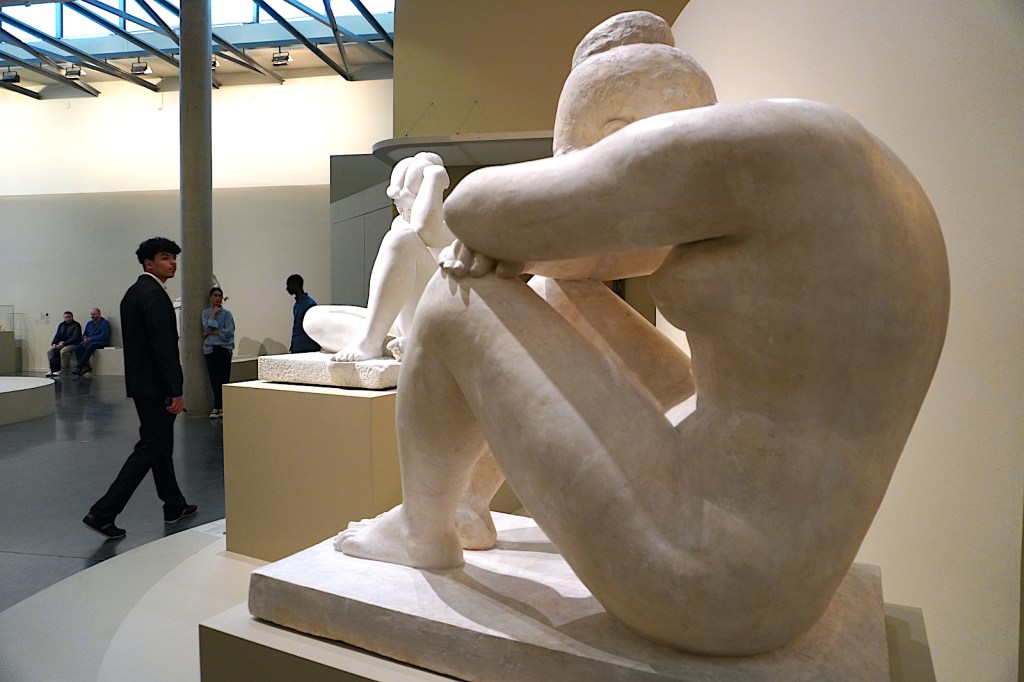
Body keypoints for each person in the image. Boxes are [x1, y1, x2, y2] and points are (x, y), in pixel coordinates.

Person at [336, 12, 949, 657]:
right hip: (778, 571)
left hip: (703, 576)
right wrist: (526, 252)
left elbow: (476, 209)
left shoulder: (742, 148)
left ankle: (423, 530)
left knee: (453, 294)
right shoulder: (847, 164)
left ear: (622, 134)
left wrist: (494, 239)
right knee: (561, 293)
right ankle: (468, 504)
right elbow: (580, 271)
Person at [83, 236, 197, 539]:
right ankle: (103, 512)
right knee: (150, 446)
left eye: (174, 257)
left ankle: (174, 504)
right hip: (157, 386)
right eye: (165, 257)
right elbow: (163, 346)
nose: (173, 263)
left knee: (160, 445)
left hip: (143, 384)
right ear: (149, 263)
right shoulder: (154, 295)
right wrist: (175, 388)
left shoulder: (133, 293)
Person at [303, 152, 455, 362]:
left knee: (401, 237)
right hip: (404, 326)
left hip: (438, 323)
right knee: (314, 319)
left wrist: (435, 176)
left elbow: (426, 228)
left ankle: (371, 341)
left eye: (410, 206)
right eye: (399, 207)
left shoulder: (450, 226)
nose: (404, 213)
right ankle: (399, 345)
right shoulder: (401, 225)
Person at [201, 286, 235, 419]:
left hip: (224, 348)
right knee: (213, 378)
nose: (218, 298)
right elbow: (206, 327)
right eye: (215, 295)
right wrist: (213, 315)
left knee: (223, 378)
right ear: (210, 298)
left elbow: (229, 332)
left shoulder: (227, 314)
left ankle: (220, 406)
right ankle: (218, 406)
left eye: (220, 295)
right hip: (210, 349)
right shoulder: (205, 313)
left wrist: (212, 332)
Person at [71, 308, 112, 375]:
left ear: (99, 314)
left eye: (94, 314)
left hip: (100, 342)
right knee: (78, 348)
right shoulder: (89, 323)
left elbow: (104, 335)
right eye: (91, 314)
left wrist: (91, 339)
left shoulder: (105, 323)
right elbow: (85, 333)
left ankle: (79, 366)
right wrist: (84, 338)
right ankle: (86, 366)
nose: (92, 316)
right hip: (89, 341)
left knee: (90, 346)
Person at [286, 274, 319, 353]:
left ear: (295, 285)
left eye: (288, 285)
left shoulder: (309, 304)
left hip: (307, 346)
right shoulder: (298, 304)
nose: (287, 288)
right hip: (298, 345)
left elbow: (314, 326)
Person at [45, 311, 81, 377]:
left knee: (63, 351)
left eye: (69, 317)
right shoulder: (61, 325)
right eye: (66, 317)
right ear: (64, 318)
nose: (68, 319)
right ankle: (52, 369)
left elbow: (75, 337)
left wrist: (63, 344)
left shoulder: (76, 325)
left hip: (73, 344)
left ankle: (63, 370)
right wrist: (54, 343)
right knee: (50, 352)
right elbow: (57, 335)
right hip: (61, 343)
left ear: (72, 317)